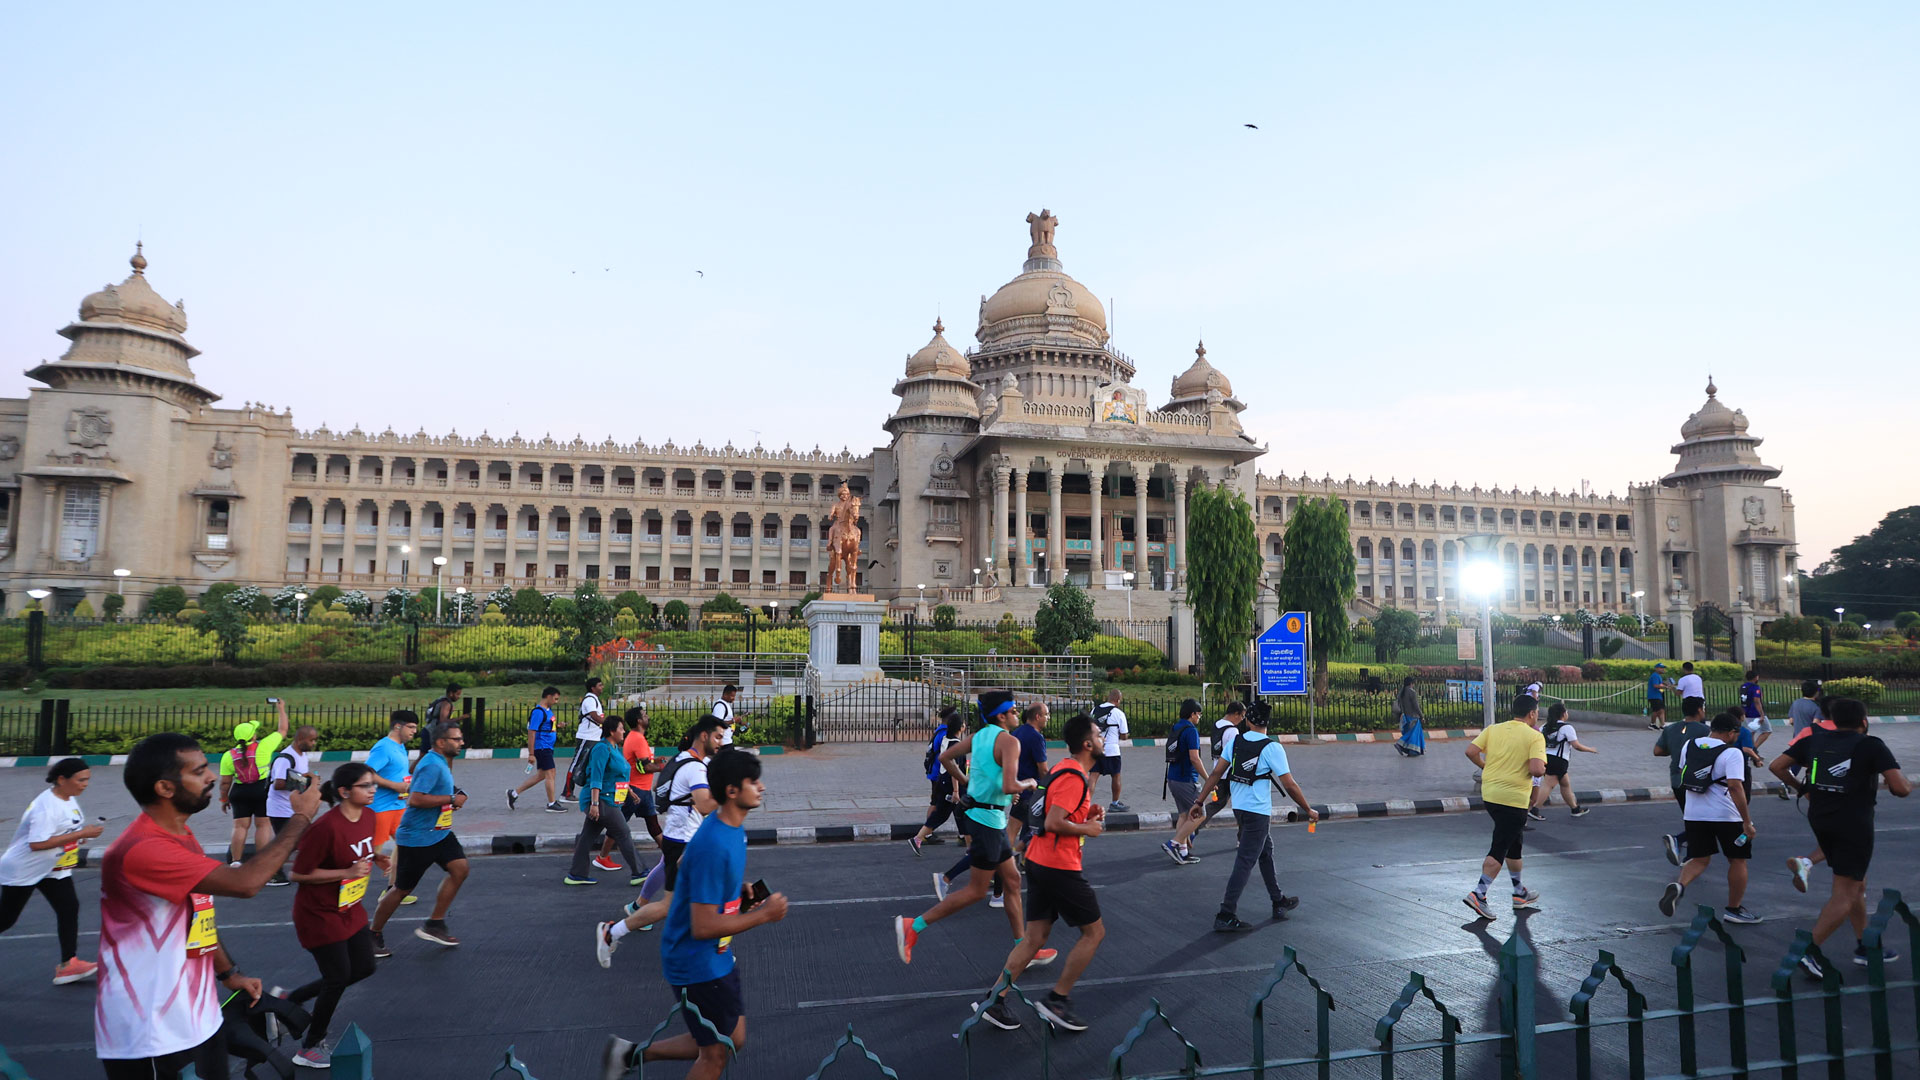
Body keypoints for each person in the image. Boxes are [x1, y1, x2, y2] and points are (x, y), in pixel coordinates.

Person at [96, 731, 320, 1079]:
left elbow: (195, 917)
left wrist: (229, 974)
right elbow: (245, 883)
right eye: (199, 771)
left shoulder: (182, 838)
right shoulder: (142, 849)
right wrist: (301, 818)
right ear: (165, 788)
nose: (213, 777)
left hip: (198, 1015)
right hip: (151, 1029)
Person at [599, 750, 788, 1080]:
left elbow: (688, 866)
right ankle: (628, 1056)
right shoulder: (715, 841)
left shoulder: (728, 827)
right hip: (695, 960)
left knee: (732, 1038)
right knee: (716, 1054)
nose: (761, 787)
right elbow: (702, 926)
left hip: (715, 956)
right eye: (753, 781)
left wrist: (733, 891)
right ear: (731, 791)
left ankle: (629, 1056)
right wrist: (765, 915)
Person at [894, 691, 1050, 965]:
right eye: (1013, 711)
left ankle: (1026, 950)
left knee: (1012, 881)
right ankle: (913, 926)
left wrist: (968, 781)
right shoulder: (1009, 741)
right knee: (977, 891)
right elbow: (1010, 786)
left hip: (988, 818)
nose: (1017, 715)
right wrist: (1029, 784)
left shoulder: (980, 736)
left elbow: (945, 759)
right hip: (987, 821)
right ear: (1001, 715)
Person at [974, 713, 1108, 1032]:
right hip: (1058, 865)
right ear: (1088, 744)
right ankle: (1057, 1000)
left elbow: (1046, 809)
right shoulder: (1075, 776)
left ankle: (995, 999)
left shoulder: (1064, 768)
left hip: (1038, 861)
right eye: (1099, 735)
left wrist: (1084, 811)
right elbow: (1052, 823)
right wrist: (1087, 827)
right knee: (1094, 932)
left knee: (1035, 936)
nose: (1103, 739)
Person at [1770, 697, 1911, 978]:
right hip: (1853, 824)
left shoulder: (1814, 739)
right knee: (1846, 890)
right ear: (1864, 721)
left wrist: (1803, 788)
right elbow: (1900, 788)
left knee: (1857, 882)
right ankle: (1808, 951)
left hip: (1821, 819)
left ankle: (1865, 945)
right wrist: (1902, 784)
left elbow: (1777, 766)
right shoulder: (1870, 745)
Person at [595, 717, 725, 961]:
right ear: (704, 736)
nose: (721, 742)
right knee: (693, 900)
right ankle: (613, 931)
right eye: (718, 736)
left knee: (693, 899)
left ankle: (620, 926)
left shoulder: (686, 759)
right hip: (686, 840)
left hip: (681, 837)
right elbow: (705, 804)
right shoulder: (695, 766)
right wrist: (732, 795)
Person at [282, 763, 384, 1069]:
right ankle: (310, 1046)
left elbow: (358, 851)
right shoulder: (324, 828)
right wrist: (346, 871)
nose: (373, 789)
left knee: (364, 967)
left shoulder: (368, 816)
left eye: (373, 784)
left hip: (350, 909)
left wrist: (375, 857)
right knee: (337, 976)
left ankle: (291, 1000)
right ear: (344, 792)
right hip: (319, 914)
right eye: (366, 786)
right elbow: (298, 873)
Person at [1188, 700, 1317, 931]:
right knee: (1246, 860)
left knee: (1265, 851)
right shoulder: (1272, 747)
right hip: (1258, 811)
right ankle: (1226, 913)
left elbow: (1217, 773)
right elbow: (1290, 785)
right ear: (1267, 722)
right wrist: (1308, 809)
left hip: (1240, 808)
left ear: (1248, 720)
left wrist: (1199, 802)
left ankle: (1278, 901)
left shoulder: (1236, 741)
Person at [0, 757, 104, 984]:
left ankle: (69, 964)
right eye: (81, 780)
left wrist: (79, 837)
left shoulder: (68, 799)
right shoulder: (46, 807)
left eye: (87, 779)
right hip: (23, 869)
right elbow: (37, 844)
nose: (85, 784)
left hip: (52, 868)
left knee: (69, 908)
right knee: (6, 919)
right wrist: (78, 835)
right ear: (61, 779)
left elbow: (65, 832)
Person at [369, 722, 470, 955]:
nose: (461, 743)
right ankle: (372, 934)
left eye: (461, 738)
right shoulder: (432, 765)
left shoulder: (438, 761)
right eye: (456, 739)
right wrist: (451, 799)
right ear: (441, 742)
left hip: (439, 833)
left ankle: (435, 923)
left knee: (460, 869)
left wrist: (454, 794)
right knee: (401, 889)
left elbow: (434, 791)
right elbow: (415, 799)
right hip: (417, 838)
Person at [1659, 712, 1761, 923]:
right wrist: (1747, 821)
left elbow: (1682, 770)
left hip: (1694, 813)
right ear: (1732, 732)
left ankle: (1680, 885)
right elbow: (1734, 786)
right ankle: (1734, 909)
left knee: (1699, 858)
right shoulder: (1732, 753)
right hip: (1726, 815)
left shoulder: (1690, 744)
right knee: (1737, 860)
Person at [1462, 695, 1547, 920]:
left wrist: (1486, 766)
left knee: (1513, 842)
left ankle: (1519, 893)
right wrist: (1541, 766)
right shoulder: (1535, 736)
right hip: (1514, 798)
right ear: (1531, 713)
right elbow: (1538, 770)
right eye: (1537, 712)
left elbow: (1471, 751)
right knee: (1500, 845)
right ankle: (1479, 894)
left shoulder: (1493, 729)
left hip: (1490, 795)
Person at [565, 714, 646, 887]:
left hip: (608, 799)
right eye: (621, 729)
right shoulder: (602, 749)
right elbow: (596, 776)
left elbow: (618, 774)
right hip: (600, 800)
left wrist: (629, 791)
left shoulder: (614, 748)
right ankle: (639, 872)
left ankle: (576, 874)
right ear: (611, 731)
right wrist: (594, 805)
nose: (624, 731)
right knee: (623, 832)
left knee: (587, 836)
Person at [1166, 700, 1246, 858]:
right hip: (1221, 774)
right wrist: (1209, 779)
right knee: (1206, 811)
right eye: (1242, 716)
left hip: (1201, 773)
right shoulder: (1230, 731)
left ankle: (1182, 848)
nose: (1243, 719)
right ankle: (1178, 841)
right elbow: (1197, 758)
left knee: (1189, 813)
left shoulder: (1217, 725)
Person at [218, 702, 289, 867]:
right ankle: (261, 862)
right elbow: (283, 730)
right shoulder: (263, 747)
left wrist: (223, 799)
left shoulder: (228, 756)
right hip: (261, 790)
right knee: (263, 825)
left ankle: (236, 861)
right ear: (254, 736)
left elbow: (225, 783)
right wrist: (281, 709)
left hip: (239, 792)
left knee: (240, 827)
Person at [601, 705, 665, 866]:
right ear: (639, 721)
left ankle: (671, 856)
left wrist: (655, 761)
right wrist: (663, 768)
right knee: (619, 824)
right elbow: (646, 767)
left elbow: (642, 764)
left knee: (653, 824)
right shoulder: (637, 739)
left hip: (642, 790)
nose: (648, 716)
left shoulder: (635, 737)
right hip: (633, 790)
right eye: (645, 715)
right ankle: (602, 857)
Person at [367, 711, 419, 907]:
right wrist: (394, 785)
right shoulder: (383, 748)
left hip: (398, 806)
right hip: (380, 808)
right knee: (368, 855)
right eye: (411, 727)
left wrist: (407, 783)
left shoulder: (401, 747)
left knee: (405, 846)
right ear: (398, 726)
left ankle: (392, 891)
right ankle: (343, 894)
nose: (415, 731)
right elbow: (368, 773)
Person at [1654, 696, 1712, 866]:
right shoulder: (1704, 730)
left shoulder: (1671, 728)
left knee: (1692, 818)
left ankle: (1690, 856)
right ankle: (1678, 840)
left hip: (1676, 779)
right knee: (1705, 820)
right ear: (1700, 710)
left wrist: (1674, 752)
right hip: (1696, 780)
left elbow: (1657, 751)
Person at [265, 724, 319, 886]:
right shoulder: (286, 758)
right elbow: (279, 784)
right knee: (286, 844)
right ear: (300, 739)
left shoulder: (301, 756)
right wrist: (304, 781)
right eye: (311, 740)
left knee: (295, 842)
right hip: (280, 809)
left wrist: (306, 779)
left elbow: (297, 778)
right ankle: (272, 874)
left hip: (293, 808)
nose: (313, 743)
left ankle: (298, 871)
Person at [908, 705, 963, 856]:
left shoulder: (943, 733)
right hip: (943, 777)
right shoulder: (948, 737)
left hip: (941, 776)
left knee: (952, 808)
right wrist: (956, 790)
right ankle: (925, 835)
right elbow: (950, 763)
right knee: (941, 807)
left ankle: (963, 835)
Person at [1529, 703, 1597, 818]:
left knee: (1565, 784)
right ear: (1563, 714)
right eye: (1566, 711)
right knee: (1548, 784)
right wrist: (1590, 749)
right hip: (1560, 761)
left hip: (1546, 758)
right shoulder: (1567, 728)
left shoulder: (1544, 727)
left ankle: (1575, 809)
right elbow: (1576, 746)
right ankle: (1535, 809)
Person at [1160, 699, 1206, 865]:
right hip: (1187, 779)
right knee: (1200, 814)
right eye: (1199, 714)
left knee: (1184, 815)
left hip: (1172, 778)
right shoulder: (1191, 731)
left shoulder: (1176, 727)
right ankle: (1173, 844)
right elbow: (1195, 758)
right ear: (1193, 714)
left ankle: (1183, 853)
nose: (1199, 718)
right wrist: (1208, 778)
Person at [509, 685, 566, 812]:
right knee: (551, 773)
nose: (556, 702)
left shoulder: (547, 711)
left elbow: (547, 726)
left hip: (547, 747)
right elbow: (532, 732)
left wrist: (558, 726)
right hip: (542, 747)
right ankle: (551, 804)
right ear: (548, 696)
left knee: (541, 775)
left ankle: (514, 793)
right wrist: (531, 753)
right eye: (555, 699)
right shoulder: (538, 712)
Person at [1009, 702, 1050, 860]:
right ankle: (998, 868)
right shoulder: (1036, 737)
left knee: (1029, 826)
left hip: (1018, 787)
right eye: (1046, 714)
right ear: (1037, 716)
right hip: (1030, 790)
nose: (1048, 718)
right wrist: (1048, 787)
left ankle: (1026, 859)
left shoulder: (1017, 733)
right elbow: (1043, 769)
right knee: (1013, 831)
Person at [564, 677, 608, 800]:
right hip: (586, 737)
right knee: (577, 764)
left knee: (593, 765)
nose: (602, 687)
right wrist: (610, 723)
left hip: (595, 737)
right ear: (593, 688)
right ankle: (567, 793)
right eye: (600, 685)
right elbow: (595, 716)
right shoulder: (589, 700)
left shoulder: (595, 700)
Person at [1090, 690, 1129, 812]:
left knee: (1093, 776)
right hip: (1112, 750)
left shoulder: (1094, 710)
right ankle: (1115, 803)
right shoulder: (1118, 713)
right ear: (1117, 700)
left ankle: (1085, 803)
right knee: (1116, 776)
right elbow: (1123, 735)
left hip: (1096, 749)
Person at [1393, 677, 1426, 757]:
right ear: (1411, 683)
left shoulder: (1402, 692)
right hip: (1413, 716)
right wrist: (1422, 716)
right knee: (1413, 733)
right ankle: (1400, 744)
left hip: (1406, 716)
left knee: (1411, 733)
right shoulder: (1412, 692)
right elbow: (1416, 706)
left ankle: (1411, 750)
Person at [1739, 672, 1770, 749]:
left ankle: (1751, 750)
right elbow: (1756, 701)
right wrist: (1762, 714)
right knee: (1767, 731)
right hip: (1755, 712)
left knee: (1751, 732)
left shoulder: (1743, 686)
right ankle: (1754, 749)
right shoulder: (1755, 687)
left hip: (1746, 711)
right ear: (1755, 678)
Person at [1646, 662, 1673, 730]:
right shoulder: (1655, 676)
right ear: (1656, 668)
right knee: (1659, 710)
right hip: (1654, 696)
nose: (1663, 669)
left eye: (1663, 668)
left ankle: (1658, 724)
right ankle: (1657, 724)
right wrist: (1665, 687)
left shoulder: (1658, 676)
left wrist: (1665, 684)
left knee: (1659, 710)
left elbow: (1659, 684)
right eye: (1661, 668)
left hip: (1658, 695)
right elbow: (1656, 685)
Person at [712, 683, 740, 747]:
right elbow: (717, 723)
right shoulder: (720, 706)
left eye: (734, 696)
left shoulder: (726, 704)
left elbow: (726, 720)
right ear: (725, 695)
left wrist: (740, 722)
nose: (733, 698)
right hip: (723, 743)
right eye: (732, 696)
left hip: (727, 741)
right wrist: (732, 721)